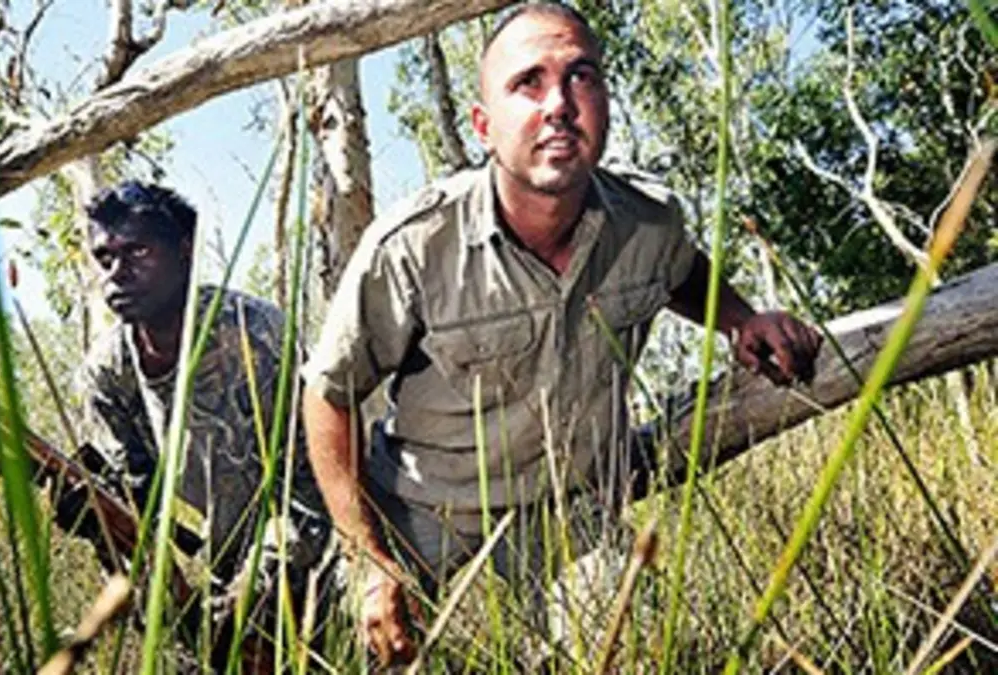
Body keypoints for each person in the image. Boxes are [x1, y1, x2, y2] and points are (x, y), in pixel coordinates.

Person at [300, 1, 821, 667]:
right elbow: (328, 395)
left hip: (570, 512)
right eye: (529, 83)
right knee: (356, 650)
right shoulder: (413, 248)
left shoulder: (648, 223)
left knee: (629, 644)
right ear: (484, 126)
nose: (559, 105)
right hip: (425, 509)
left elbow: (682, 270)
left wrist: (742, 319)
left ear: (604, 102)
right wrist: (368, 560)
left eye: (581, 77)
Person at [52, 180, 333, 671]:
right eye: (105, 258)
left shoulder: (257, 335)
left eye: (138, 252)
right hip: (214, 569)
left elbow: (312, 493)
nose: (117, 273)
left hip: (309, 562)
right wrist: (98, 519)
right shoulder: (107, 373)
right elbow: (136, 500)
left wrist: (252, 593)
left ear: (185, 251)